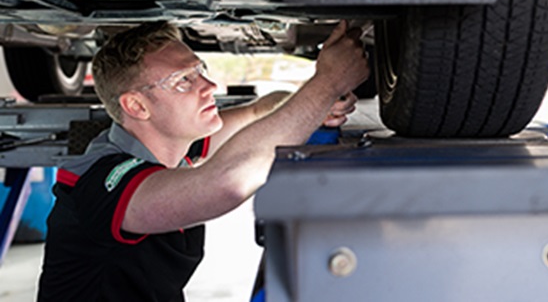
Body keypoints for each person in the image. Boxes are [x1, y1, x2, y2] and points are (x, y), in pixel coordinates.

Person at [37, 20, 369, 301]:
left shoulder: (169, 146)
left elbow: (260, 110)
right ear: (137, 107)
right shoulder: (103, 182)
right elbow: (225, 183)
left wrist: (316, 104)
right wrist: (327, 84)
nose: (210, 86)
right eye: (184, 80)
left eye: (200, 70)